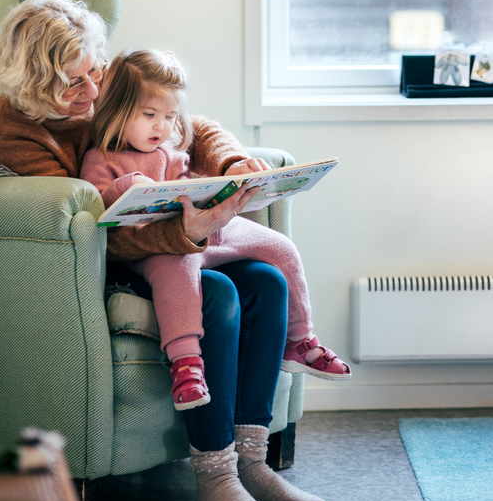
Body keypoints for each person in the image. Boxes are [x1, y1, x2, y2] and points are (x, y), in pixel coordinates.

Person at [0, 0, 326, 501]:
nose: (94, 93)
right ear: (33, 86)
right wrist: (184, 233)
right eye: (73, 84)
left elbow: (191, 124)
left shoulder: (100, 78)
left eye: (95, 71)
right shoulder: (12, 137)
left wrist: (232, 163)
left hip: (165, 242)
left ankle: (251, 463)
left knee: (265, 281)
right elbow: (87, 237)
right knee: (221, 296)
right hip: (89, 270)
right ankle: (214, 475)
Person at [80, 49, 350, 412]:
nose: (161, 127)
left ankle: (300, 340)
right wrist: (128, 185)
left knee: (280, 248)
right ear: (117, 110)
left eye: (170, 116)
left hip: (210, 230)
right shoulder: (101, 158)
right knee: (181, 268)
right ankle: (186, 363)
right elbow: (100, 208)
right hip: (159, 249)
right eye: (149, 115)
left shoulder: (173, 147)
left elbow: (197, 162)